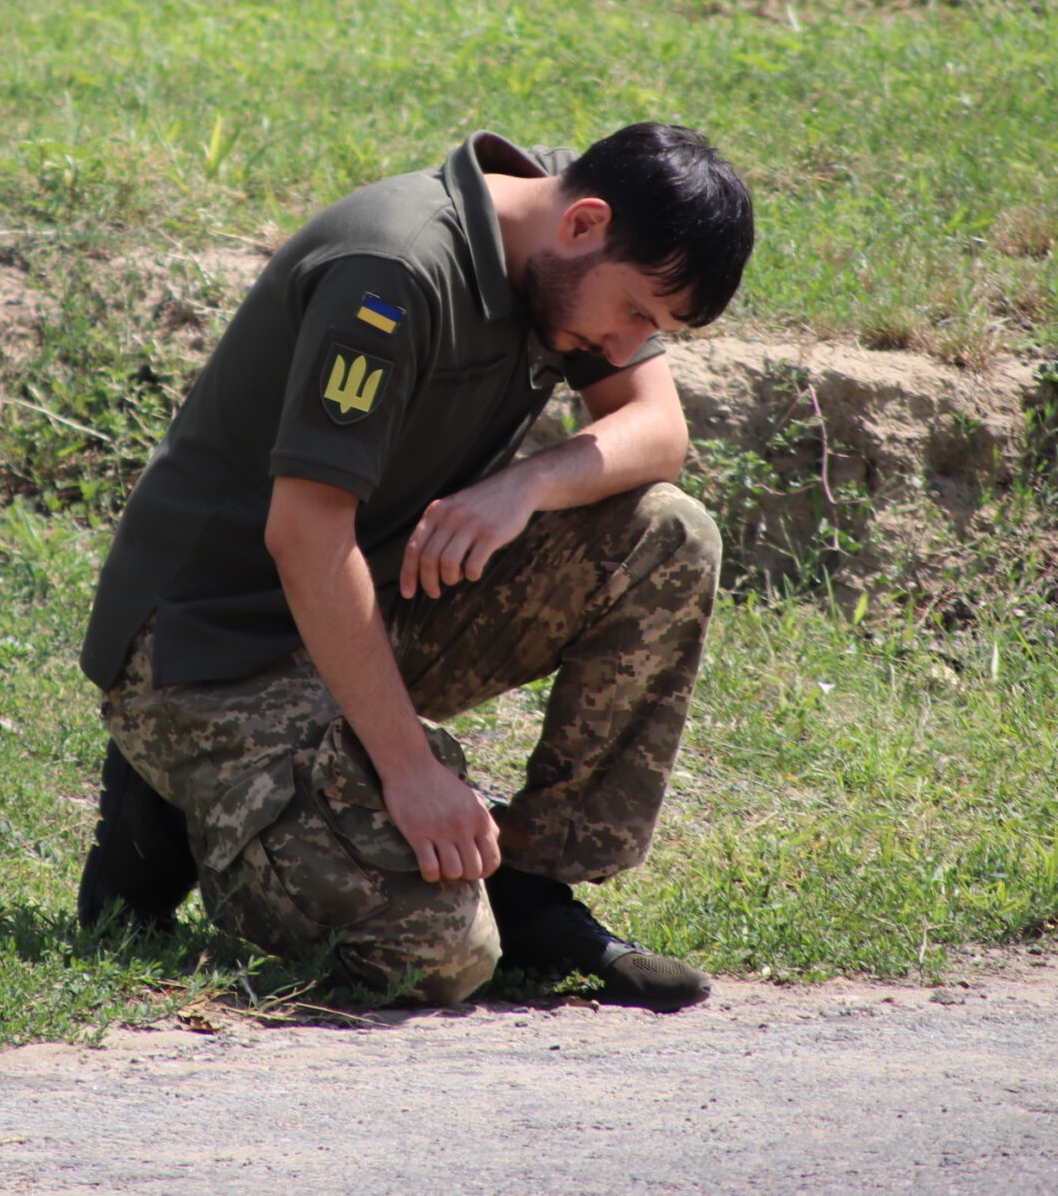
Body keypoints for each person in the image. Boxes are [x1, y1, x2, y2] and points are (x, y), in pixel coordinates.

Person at [74, 123, 753, 1009]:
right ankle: (174, 809)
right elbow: (306, 537)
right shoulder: (393, 270)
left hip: (368, 602)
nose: (627, 347)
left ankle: (531, 888)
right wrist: (409, 770)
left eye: (651, 328)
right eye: (634, 312)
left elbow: (660, 429)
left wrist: (525, 485)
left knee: (668, 533)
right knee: (434, 954)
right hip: (211, 645)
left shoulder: (559, 235)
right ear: (584, 224)